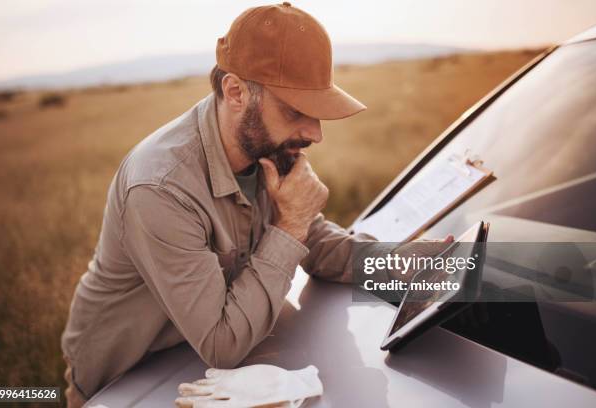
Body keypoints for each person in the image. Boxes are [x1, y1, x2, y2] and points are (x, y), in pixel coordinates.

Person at [61, 3, 447, 406]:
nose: (315, 133)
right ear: (236, 92)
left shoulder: (264, 147)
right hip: (125, 382)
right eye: (297, 111)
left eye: (318, 113)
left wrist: (399, 262)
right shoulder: (160, 188)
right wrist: (291, 223)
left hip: (200, 366)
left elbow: (314, 242)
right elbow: (222, 343)